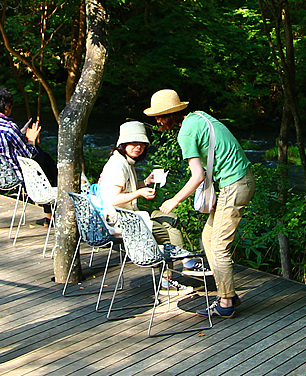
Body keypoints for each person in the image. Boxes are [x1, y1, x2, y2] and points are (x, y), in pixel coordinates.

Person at [146, 89, 255, 319]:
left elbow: (198, 175)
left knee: (219, 246)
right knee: (208, 237)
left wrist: (173, 200)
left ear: (173, 114)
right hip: (237, 181)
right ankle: (229, 293)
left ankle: (225, 302)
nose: (157, 121)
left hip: (234, 185)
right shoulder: (199, 117)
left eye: (161, 116)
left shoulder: (185, 133)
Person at [97, 120, 197, 296]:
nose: (138, 147)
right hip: (121, 221)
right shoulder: (117, 165)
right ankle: (182, 266)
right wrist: (140, 193)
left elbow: (126, 188)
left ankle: (181, 265)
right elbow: (113, 199)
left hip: (130, 216)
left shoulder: (125, 162)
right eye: (133, 143)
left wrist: (146, 182)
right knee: (168, 233)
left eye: (142, 144)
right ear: (123, 144)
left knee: (170, 218)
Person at [0, 86, 57, 222]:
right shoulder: (8, 128)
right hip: (15, 174)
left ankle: (49, 215)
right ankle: (52, 212)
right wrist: (31, 139)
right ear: (6, 106)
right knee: (45, 160)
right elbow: (28, 154)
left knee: (44, 160)